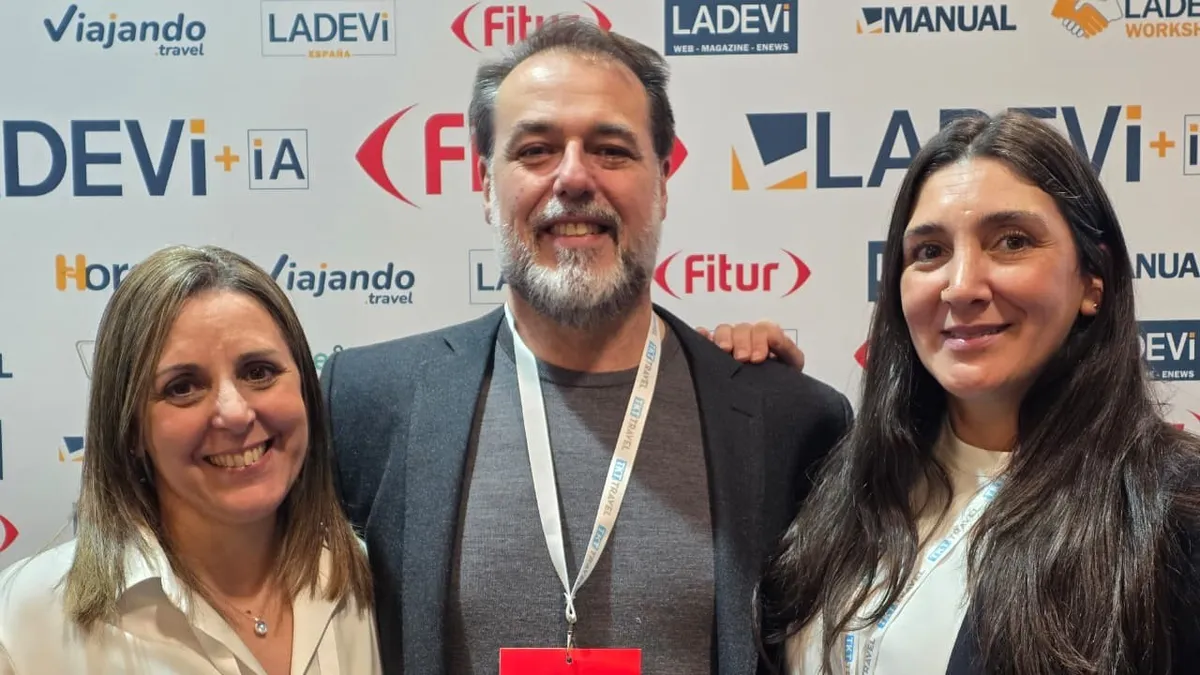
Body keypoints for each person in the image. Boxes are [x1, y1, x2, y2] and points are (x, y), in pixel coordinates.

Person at [320, 17, 851, 675]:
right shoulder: (366, 405)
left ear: (661, 183)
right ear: (485, 185)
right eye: (536, 149)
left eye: (611, 150)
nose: (573, 178)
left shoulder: (792, 421)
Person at [757, 111, 1200, 675]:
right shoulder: (846, 481)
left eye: (1011, 242)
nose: (961, 285)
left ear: (1094, 281)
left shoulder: (1173, 514)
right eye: (930, 252)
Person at [0, 245, 381, 675]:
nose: (235, 413)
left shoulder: (378, 586)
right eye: (182, 387)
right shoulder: (24, 620)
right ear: (130, 430)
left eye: (259, 372)